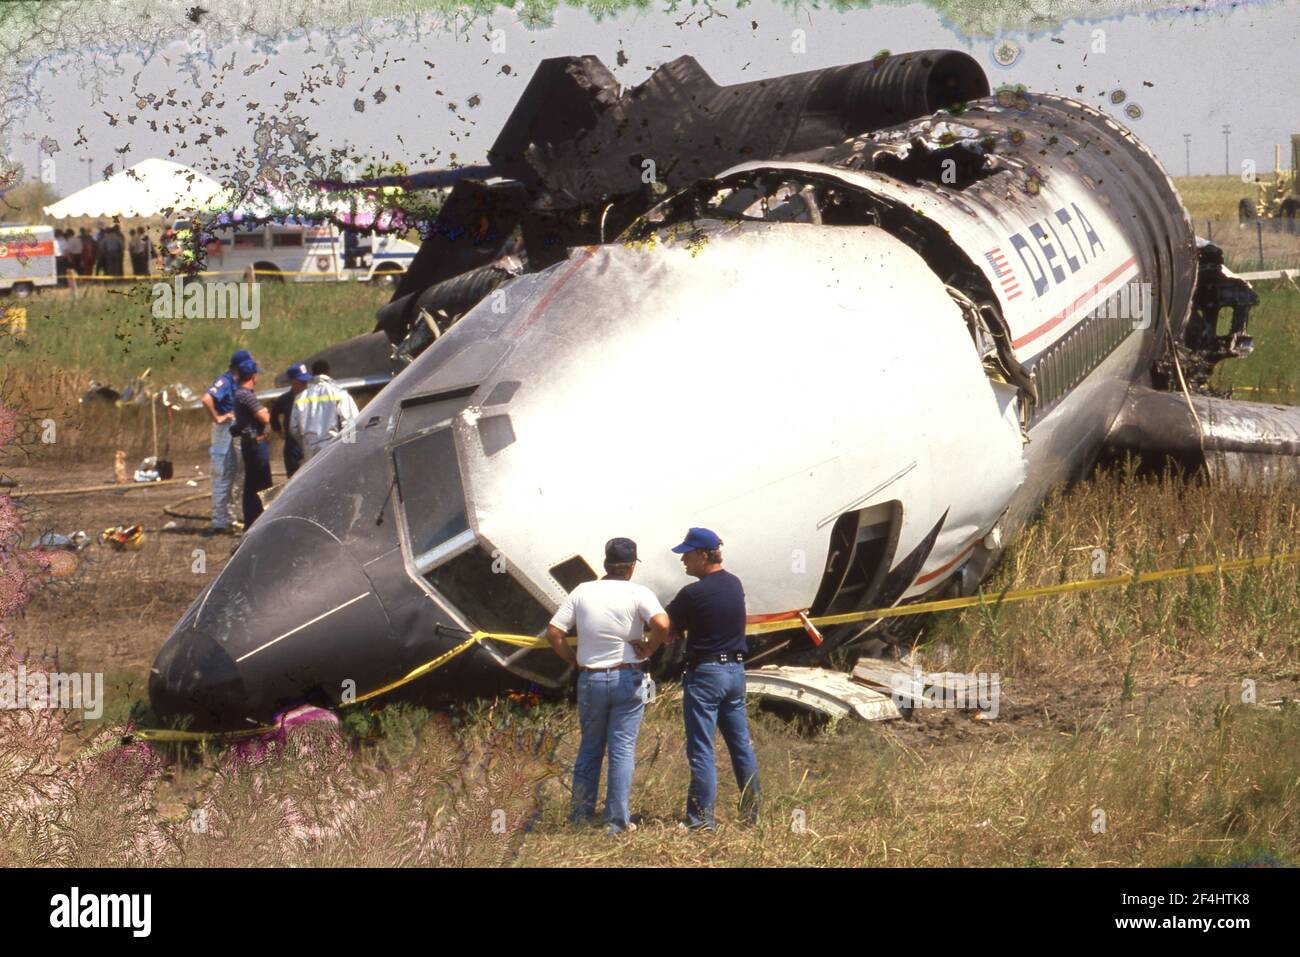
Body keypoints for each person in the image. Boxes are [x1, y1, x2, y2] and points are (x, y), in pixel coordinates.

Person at [545, 538, 670, 834]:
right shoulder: (638, 592)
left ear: (605, 564)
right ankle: (615, 822)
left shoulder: (582, 591)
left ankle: (579, 817)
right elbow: (663, 625)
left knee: (590, 748)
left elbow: (554, 632)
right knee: (622, 750)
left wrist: (574, 660)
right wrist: (649, 648)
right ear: (630, 568)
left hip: (591, 679)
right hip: (628, 676)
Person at [640, 527, 760, 830]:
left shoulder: (692, 593)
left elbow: (665, 626)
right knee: (740, 746)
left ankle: (701, 821)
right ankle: (751, 816)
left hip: (706, 675)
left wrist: (650, 646)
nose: (683, 561)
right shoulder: (734, 584)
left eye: (687, 555)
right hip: (736, 672)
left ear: (704, 556)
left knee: (702, 748)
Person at [201, 350, 251, 534]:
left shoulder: (238, 383)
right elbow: (206, 399)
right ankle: (219, 521)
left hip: (236, 429)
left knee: (238, 473)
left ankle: (229, 517)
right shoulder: (225, 380)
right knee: (222, 473)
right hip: (225, 430)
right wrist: (217, 417)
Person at [231, 358, 273, 528]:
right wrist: (265, 411)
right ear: (252, 376)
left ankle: (252, 521)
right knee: (263, 484)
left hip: (249, 444)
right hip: (256, 444)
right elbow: (264, 417)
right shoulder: (246, 395)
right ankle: (263, 521)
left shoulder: (239, 394)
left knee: (251, 485)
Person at [291, 360, 360, 461]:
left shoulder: (300, 397)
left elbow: (293, 428)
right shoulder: (338, 392)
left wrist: (305, 443)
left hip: (310, 449)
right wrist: (349, 449)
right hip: (332, 446)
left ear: (313, 374)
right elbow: (351, 421)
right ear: (328, 372)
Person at [270, 362, 312, 478]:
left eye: (306, 380)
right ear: (293, 381)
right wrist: (279, 431)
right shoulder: (285, 399)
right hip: (293, 446)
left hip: (311, 441)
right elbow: (273, 414)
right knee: (293, 478)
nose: (305, 383)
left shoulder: (313, 397)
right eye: (301, 380)